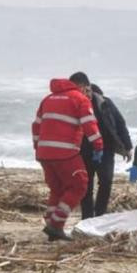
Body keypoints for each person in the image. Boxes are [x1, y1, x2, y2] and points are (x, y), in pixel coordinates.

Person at [32, 77, 104, 242]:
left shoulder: (48, 99)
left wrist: (38, 147)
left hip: (44, 153)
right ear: (82, 86)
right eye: (87, 89)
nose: (88, 93)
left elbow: (36, 126)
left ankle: (51, 222)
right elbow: (89, 124)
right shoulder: (79, 99)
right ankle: (56, 225)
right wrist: (98, 146)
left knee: (57, 189)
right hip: (65, 152)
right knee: (79, 185)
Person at [71, 74, 133, 219]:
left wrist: (127, 147)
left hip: (105, 149)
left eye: (76, 88)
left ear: (87, 87)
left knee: (106, 181)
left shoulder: (104, 102)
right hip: (83, 150)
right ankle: (86, 218)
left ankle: (100, 216)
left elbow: (120, 123)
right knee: (86, 186)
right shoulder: (73, 104)